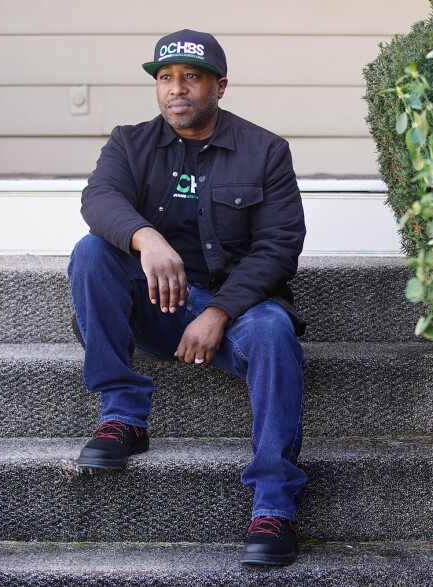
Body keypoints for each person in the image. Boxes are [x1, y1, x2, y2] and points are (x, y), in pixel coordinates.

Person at [67, 29, 307, 566]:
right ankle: (124, 415)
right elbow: (99, 198)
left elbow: (279, 246)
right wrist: (145, 237)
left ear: (220, 86)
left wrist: (220, 312)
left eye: (191, 78)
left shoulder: (266, 150)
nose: (176, 89)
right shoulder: (130, 143)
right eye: (165, 78)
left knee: (273, 331)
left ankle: (275, 504)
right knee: (92, 253)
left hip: (234, 312)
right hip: (156, 309)